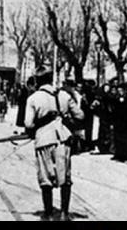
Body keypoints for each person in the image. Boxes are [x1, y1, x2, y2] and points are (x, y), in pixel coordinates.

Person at [24, 68, 84, 221]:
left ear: (37, 81)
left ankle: (49, 214)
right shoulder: (64, 95)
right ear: (51, 79)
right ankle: (64, 213)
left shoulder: (33, 98)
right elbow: (80, 115)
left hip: (43, 140)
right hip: (63, 139)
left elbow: (28, 124)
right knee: (65, 177)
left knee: (45, 178)